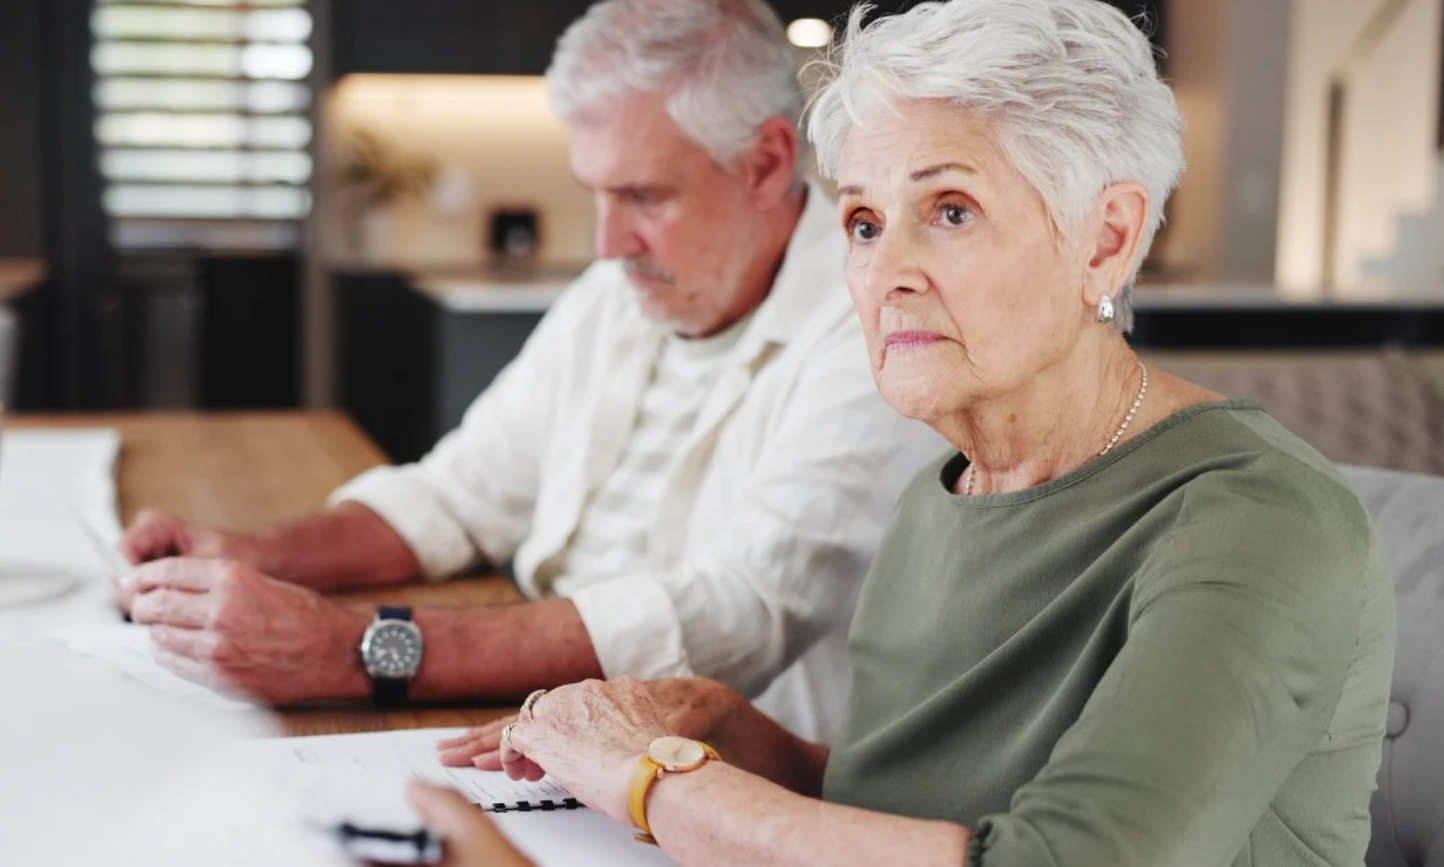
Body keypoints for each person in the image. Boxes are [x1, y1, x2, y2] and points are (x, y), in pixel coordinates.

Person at [437, 1, 1398, 865]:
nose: (886, 269)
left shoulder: (1256, 519)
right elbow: (916, 813)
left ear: (1105, 238)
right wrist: (745, 736)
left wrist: (649, 783)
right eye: (862, 221)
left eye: (949, 210)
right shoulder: (944, 490)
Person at [114, 0, 936, 743]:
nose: (607, 243)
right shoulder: (617, 295)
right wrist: (252, 552)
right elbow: (457, 494)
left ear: (764, 164)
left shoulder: (873, 322)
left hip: (714, 766)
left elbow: (737, 611)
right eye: (596, 194)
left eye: (644, 195)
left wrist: (357, 649)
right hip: (542, 708)